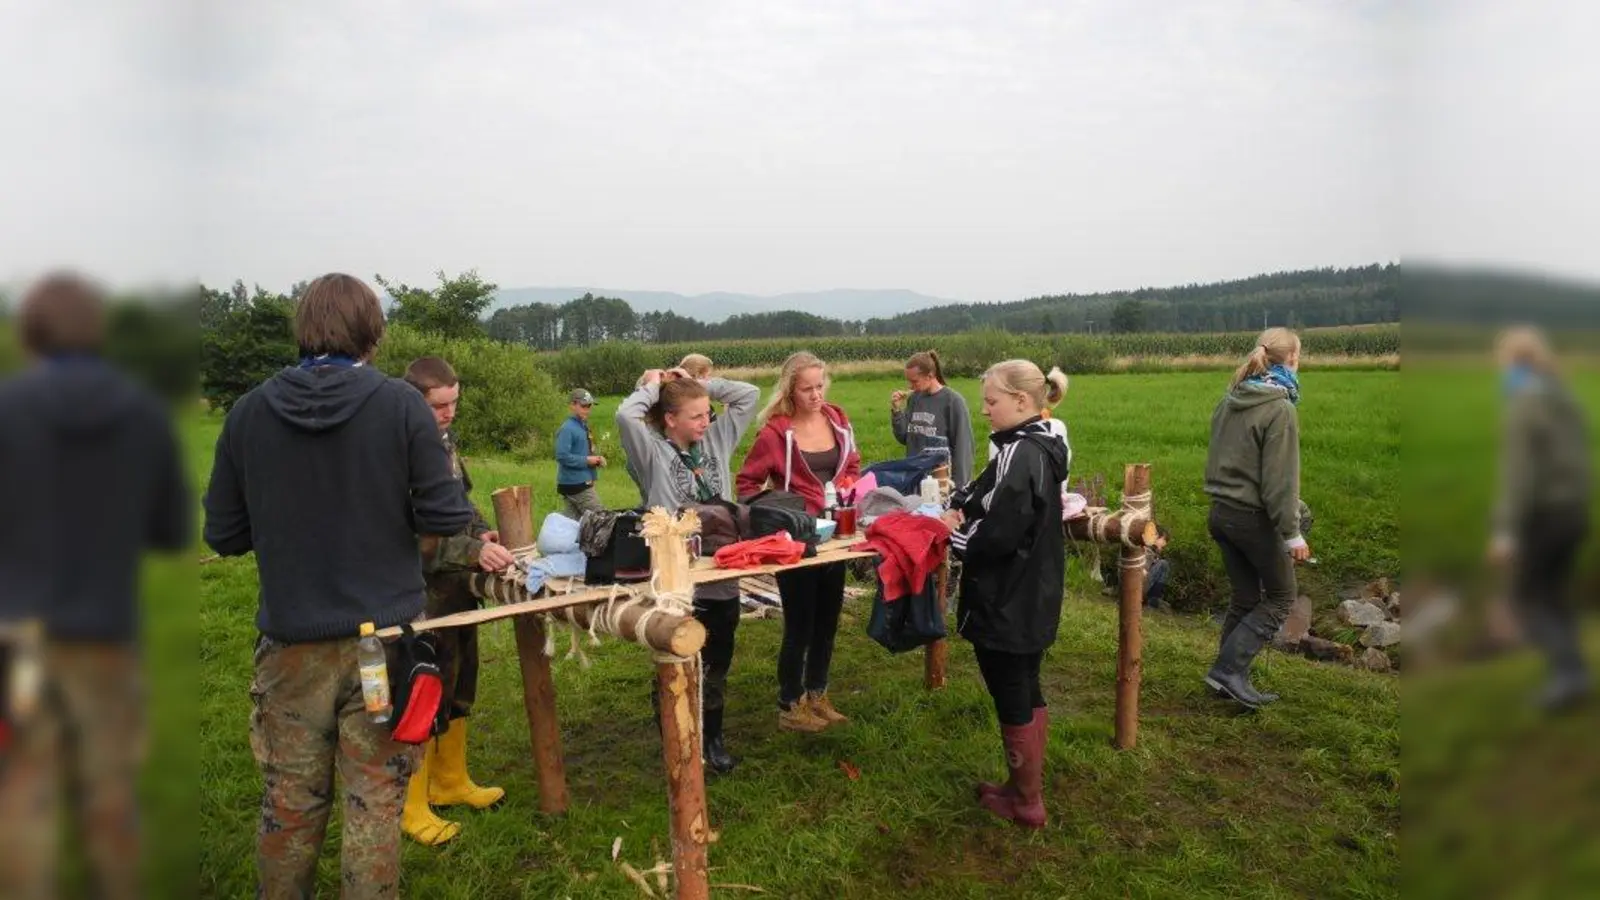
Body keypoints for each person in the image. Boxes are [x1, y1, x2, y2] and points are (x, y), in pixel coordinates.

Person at [203, 273, 477, 897]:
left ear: (304, 328)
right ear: (372, 334)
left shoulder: (248, 412)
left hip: (292, 645)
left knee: (290, 805)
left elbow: (223, 532)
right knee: (375, 806)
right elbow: (445, 516)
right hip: (385, 642)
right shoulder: (401, 406)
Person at [0, 272, 191, 900]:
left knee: (23, 795)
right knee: (111, 799)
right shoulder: (142, 412)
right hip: (107, 631)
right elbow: (167, 530)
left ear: (30, 335)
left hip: (18, 636)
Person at [945, 359, 1069, 830]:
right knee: (1026, 683)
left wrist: (950, 537)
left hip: (1008, 594)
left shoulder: (1023, 453)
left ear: (1021, 401)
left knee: (1010, 687)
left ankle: (1027, 800)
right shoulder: (1038, 444)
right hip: (1033, 591)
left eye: (991, 401)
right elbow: (987, 497)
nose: (984, 411)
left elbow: (996, 535)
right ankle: (1021, 787)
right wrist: (962, 505)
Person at [616, 366, 759, 773]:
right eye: (695, 415)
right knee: (675, 655)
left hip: (721, 569)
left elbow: (748, 393)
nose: (705, 421)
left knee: (718, 659)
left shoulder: (716, 438)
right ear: (670, 419)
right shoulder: (652, 452)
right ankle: (677, 739)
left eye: (707, 412)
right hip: (676, 575)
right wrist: (652, 387)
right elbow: (626, 417)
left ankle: (712, 738)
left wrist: (701, 386)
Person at [399, 357, 518, 845]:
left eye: (454, 403)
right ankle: (412, 805)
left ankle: (450, 781)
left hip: (455, 586)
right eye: (438, 406)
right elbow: (405, 535)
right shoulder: (395, 451)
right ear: (412, 402)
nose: (449, 414)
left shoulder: (443, 443)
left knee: (460, 676)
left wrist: (476, 531)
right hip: (415, 589)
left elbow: (458, 504)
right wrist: (472, 549)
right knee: (422, 691)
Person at [736, 352, 862, 734]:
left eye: (820, 386)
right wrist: (776, 518)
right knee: (800, 625)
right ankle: (790, 704)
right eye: (807, 388)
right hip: (795, 543)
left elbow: (852, 464)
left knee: (827, 620)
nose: (815, 395)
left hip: (836, 538)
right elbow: (746, 485)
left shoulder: (838, 421)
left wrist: (847, 485)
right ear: (791, 389)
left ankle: (817, 694)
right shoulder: (776, 433)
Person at [1202, 327, 1311, 710]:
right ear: (1292, 360)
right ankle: (1228, 672)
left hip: (1220, 513)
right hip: (1253, 519)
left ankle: (1224, 677)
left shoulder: (1231, 397)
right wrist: (1292, 533)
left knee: (1246, 597)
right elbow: (1279, 481)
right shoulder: (1280, 408)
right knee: (1281, 598)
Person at [1488, 326, 1592, 711]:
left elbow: (1519, 474)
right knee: (1554, 594)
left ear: (1512, 361)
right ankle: (1574, 672)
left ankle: (1569, 677)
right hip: (1574, 513)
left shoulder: (1524, 403)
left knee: (1528, 599)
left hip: (1544, 517)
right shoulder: (1562, 396)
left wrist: (1505, 533)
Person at [892, 350, 975, 486]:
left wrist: (959, 489)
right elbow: (903, 437)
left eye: (914, 381)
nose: (910, 386)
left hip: (940, 482)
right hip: (914, 478)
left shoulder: (953, 401)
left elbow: (963, 447)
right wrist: (896, 411)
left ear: (930, 376)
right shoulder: (914, 399)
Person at [556, 388, 607, 519]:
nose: (587, 410)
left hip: (582, 482)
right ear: (572, 405)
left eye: (589, 406)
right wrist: (587, 461)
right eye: (583, 406)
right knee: (601, 518)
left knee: (572, 523)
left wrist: (597, 459)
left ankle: (557, 538)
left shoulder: (582, 426)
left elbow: (583, 451)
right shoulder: (567, 428)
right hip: (576, 484)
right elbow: (562, 456)